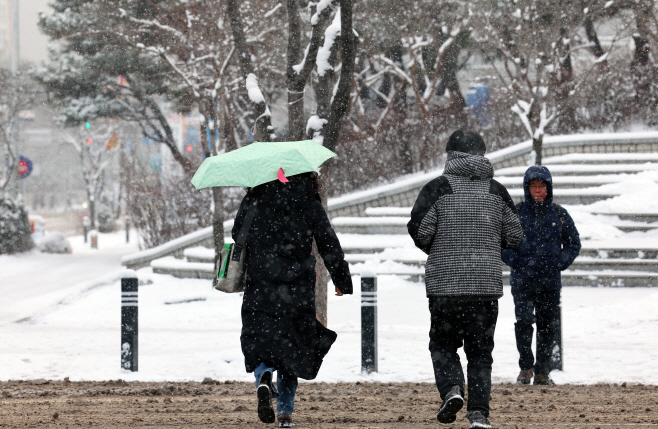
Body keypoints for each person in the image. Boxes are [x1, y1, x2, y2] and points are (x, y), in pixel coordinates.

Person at [408, 130, 524, 429]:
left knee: (443, 345)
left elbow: (420, 231)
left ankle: (452, 390)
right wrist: (489, 244)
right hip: (484, 288)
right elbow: (515, 234)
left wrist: (438, 247)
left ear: (451, 155)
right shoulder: (496, 190)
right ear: (482, 154)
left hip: (445, 287)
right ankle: (479, 414)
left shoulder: (437, 188)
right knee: (481, 353)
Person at [232, 172, 353, 428]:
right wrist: (341, 279)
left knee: (260, 339)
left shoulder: (255, 196)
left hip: (261, 283)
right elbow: (327, 241)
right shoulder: (307, 200)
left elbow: (237, 235)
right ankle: (285, 412)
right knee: (293, 346)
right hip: (297, 286)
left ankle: (263, 377)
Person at [501, 166, 581, 386]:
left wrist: (560, 263)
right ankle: (525, 368)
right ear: (527, 188)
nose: (537, 190)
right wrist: (517, 262)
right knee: (524, 323)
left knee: (547, 326)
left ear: (548, 188)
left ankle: (543, 372)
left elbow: (574, 243)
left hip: (549, 283)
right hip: (522, 282)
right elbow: (502, 244)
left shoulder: (560, 214)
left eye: (541, 186)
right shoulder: (515, 213)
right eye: (533, 186)